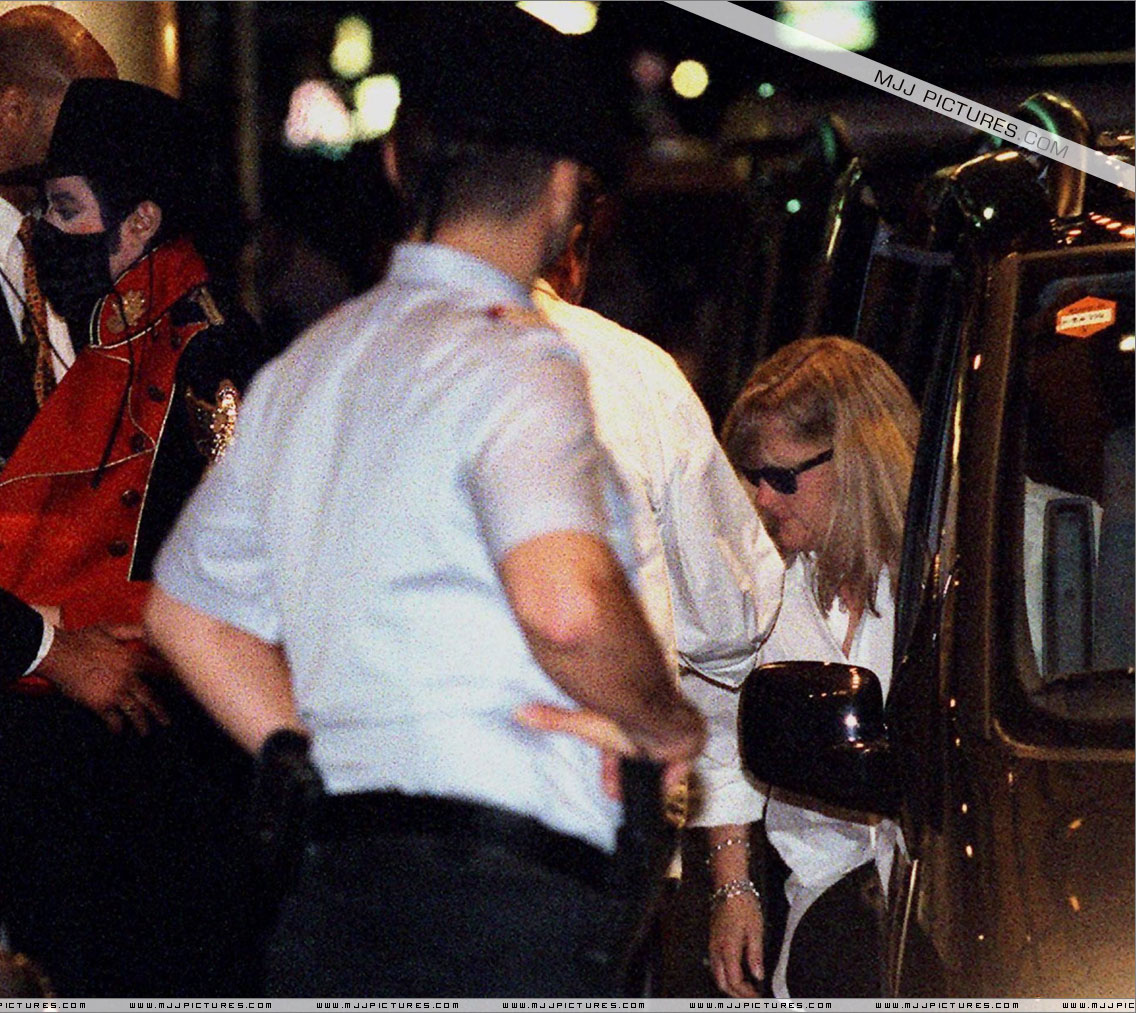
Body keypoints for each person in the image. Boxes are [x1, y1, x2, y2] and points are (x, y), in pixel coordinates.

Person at [145, 6, 704, 998]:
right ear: (565, 186)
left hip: (331, 889)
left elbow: (187, 612)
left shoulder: (308, 368)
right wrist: (665, 722)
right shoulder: (518, 361)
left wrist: (313, 752)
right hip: (506, 897)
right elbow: (566, 606)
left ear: (399, 164)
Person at [0, 78, 276, 996]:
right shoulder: (113, 338)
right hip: (88, 764)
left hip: (160, 773)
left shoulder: (208, 352)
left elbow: (230, 566)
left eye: (66, 209)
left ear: (140, 222)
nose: (45, 234)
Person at [529, 192, 785, 993]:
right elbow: (734, 618)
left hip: (393, 855)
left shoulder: (340, 367)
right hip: (594, 832)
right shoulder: (628, 374)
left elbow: (216, 611)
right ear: (572, 252)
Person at [0, 7, 119, 934]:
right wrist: (44, 646)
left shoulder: (77, 246)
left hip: (85, 709)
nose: (101, 144)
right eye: (81, 115)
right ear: (12, 109)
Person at [694, 336, 919, 998]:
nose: (763, 500)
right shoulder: (764, 588)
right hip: (827, 903)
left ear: (859, 460)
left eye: (783, 477)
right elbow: (721, 733)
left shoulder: (979, 564)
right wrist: (733, 888)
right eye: (753, 477)